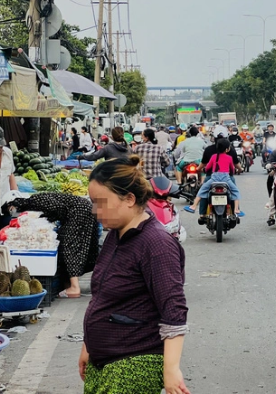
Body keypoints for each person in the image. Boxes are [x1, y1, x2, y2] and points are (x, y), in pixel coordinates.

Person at [81, 156, 190, 394]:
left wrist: (171, 369)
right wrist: (88, 346)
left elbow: (174, 310)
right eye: (93, 202)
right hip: (104, 361)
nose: (94, 210)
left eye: (101, 202)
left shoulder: (157, 244)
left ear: (129, 199)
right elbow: (103, 297)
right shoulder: (115, 235)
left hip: (132, 364)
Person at [5, 193, 99, 298]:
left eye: (11, 209)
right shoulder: (35, 204)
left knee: (70, 246)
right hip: (84, 209)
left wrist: (55, 218)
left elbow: (58, 207)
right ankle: (70, 285)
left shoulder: (36, 199)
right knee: (79, 246)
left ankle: (74, 287)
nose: (12, 212)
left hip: (79, 211)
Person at [184, 138, 243, 217]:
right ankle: (236, 210)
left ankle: (194, 206)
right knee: (235, 191)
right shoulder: (229, 157)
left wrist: (204, 170)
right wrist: (235, 171)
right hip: (226, 179)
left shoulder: (213, 156)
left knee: (202, 190)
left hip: (213, 179)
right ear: (227, 149)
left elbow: (207, 167)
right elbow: (232, 168)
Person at [197, 126, 242, 221]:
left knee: (204, 191)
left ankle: (202, 214)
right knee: (234, 191)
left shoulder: (209, 150)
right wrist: (240, 169)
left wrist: (199, 169)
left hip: (211, 177)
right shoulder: (231, 150)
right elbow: (236, 165)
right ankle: (235, 211)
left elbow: (203, 164)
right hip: (228, 178)